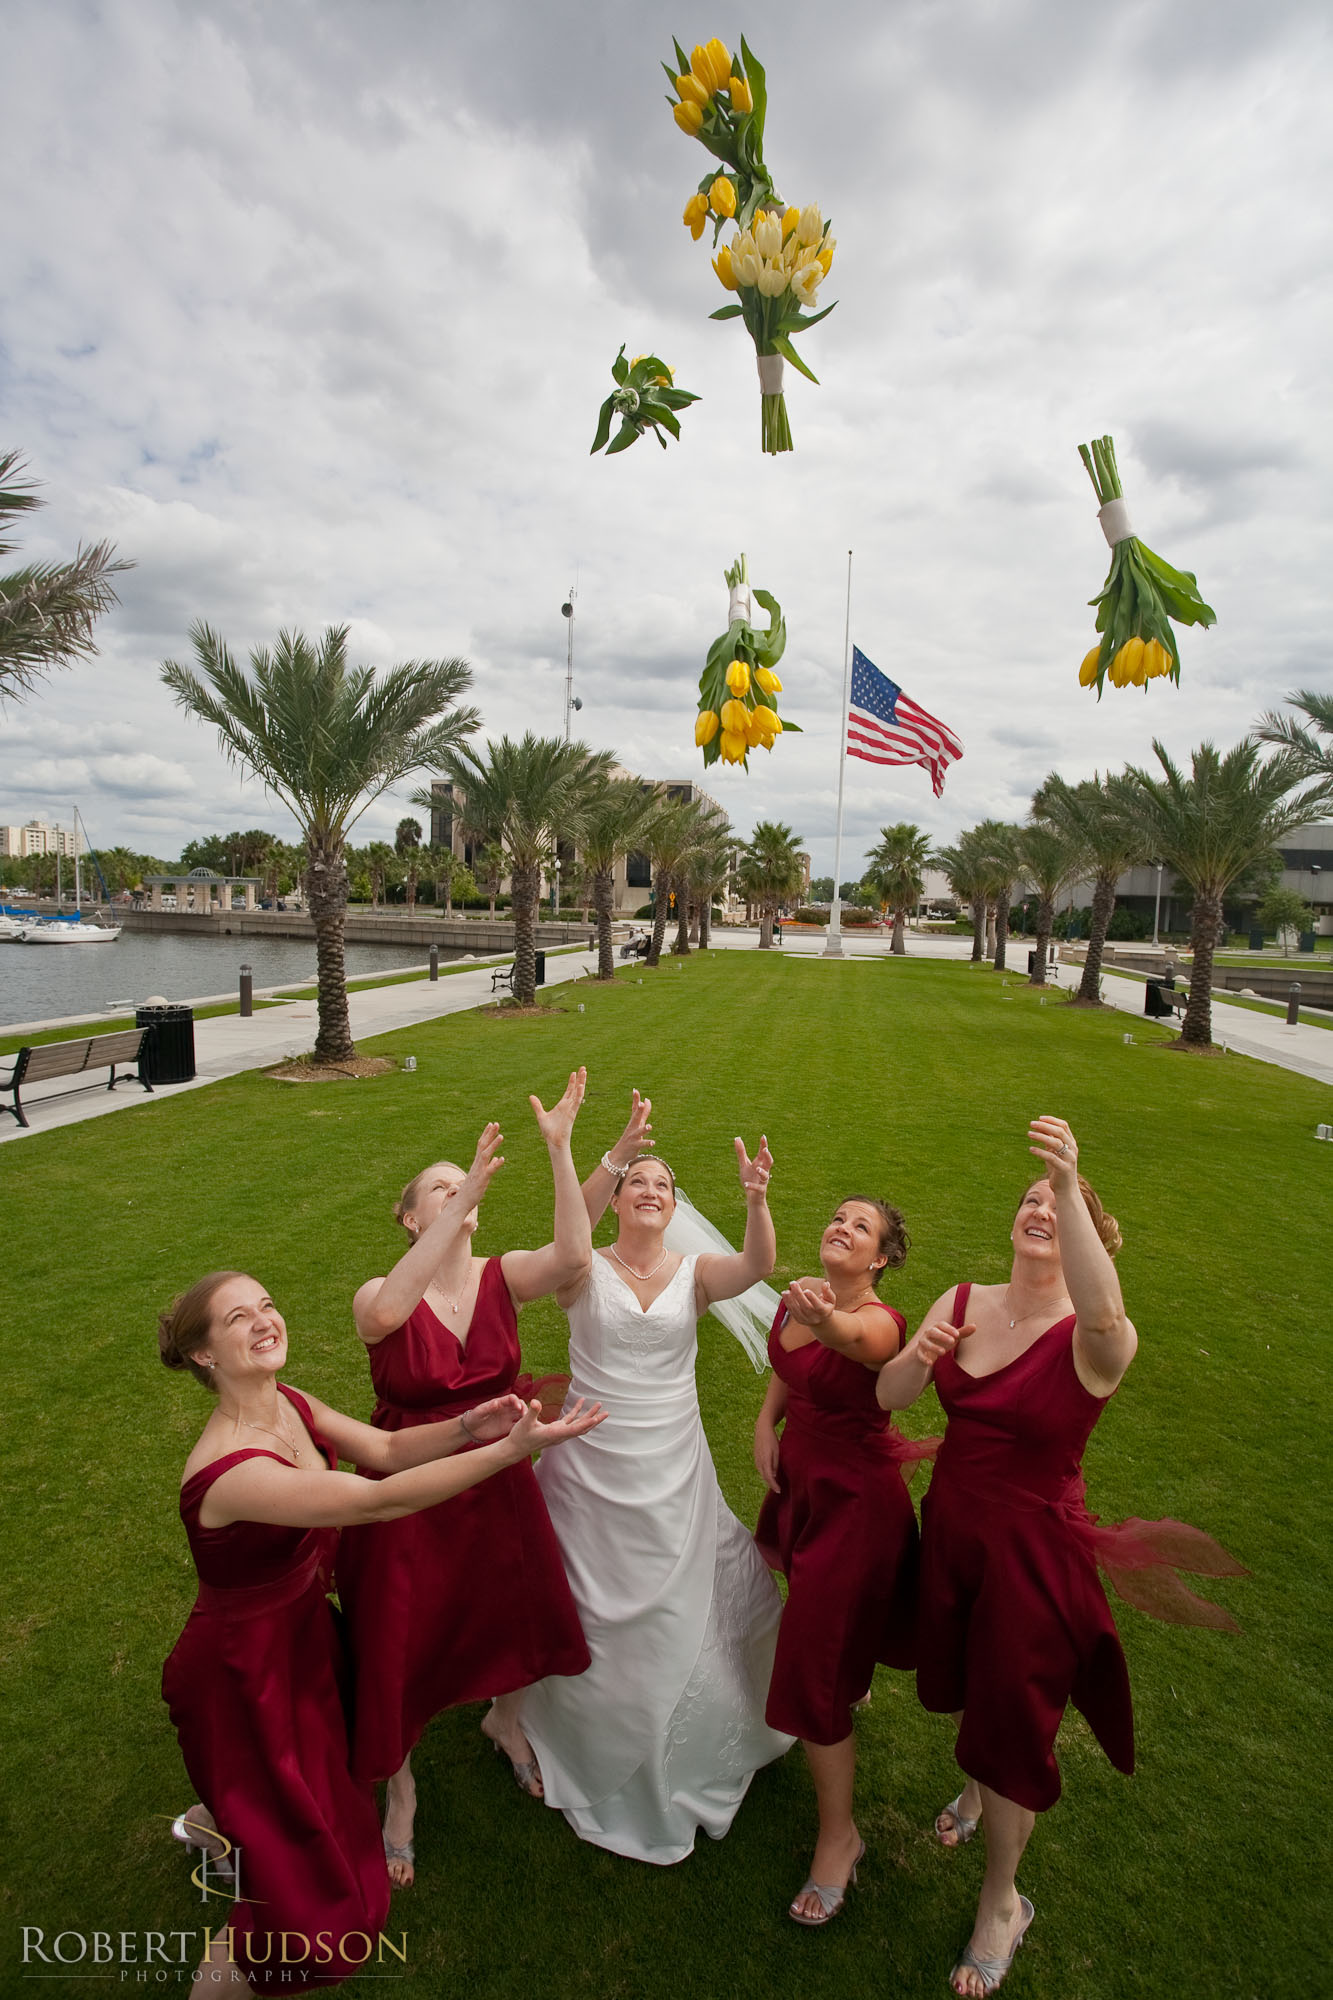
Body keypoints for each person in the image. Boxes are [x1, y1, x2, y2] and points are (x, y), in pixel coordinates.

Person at [159, 1260, 603, 1991]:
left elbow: (389, 1451)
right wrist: (507, 1451)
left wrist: (468, 1424)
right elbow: (377, 1501)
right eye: (239, 1318)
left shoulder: (290, 1403)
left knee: (308, 1810)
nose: (266, 1320)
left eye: (267, 1304)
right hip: (241, 1677)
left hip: (303, 1642)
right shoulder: (231, 1468)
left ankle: (215, 1823)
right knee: (291, 1911)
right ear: (204, 1354)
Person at [877, 1115, 1244, 1998]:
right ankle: (969, 1798)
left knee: (1012, 1723)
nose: (1037, 1206)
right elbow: (887, 1399)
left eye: (1056, 1203)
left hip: (1033, 1556)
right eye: (1029, 1198)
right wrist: (919, 1360)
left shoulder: (1096, 1338)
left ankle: (1002, 1903)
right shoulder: (959, 1302)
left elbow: (1108, 1306)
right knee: (967, 1680)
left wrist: (1072, 1180)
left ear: (1082, 1232)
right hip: (956, 1531)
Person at [335, 1072, 595, 1887]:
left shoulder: (501, 1276)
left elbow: (574, 1256)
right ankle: (401, 1790)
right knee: (398, 1641)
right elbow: (383, 1321)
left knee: (517, 1616)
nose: (460, 1191)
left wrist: (558, 1150)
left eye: (468, 1183)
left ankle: (505, 1721)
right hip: (406, 1485)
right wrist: (457, 1204)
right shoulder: (379, 1291)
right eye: (440, 1189)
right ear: (412, 1218)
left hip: (495, 1477)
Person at [519, 1118, 793, 1864]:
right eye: (636, 1181)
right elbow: (565, 1234)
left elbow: (757, 1266)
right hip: (589, 1458)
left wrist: (756, 1199)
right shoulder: (579, 1268)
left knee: (681, 1594)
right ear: (612, 1201)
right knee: (588, 1594)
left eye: (661, 1185)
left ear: (674, 1208)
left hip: (672, 1457)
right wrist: (609, 1153)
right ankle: (565, 1723)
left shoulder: (695, 1273)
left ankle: (683, 1728)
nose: (649, 1190)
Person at [754, 1196, 933, 1925]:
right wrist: (765, 1421)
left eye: (861, 1227)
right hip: (804, 1488)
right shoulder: (801, 1294)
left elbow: (851, 1339)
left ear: (881, 1260)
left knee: (811, 1668)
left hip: (856, 1508)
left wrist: (823, 1315)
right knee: (823, 1625)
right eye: (837, 1217)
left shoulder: (877, 1320)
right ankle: (845, 1681)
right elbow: (789, 1365)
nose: (842, 1227)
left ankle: (840, 1839)